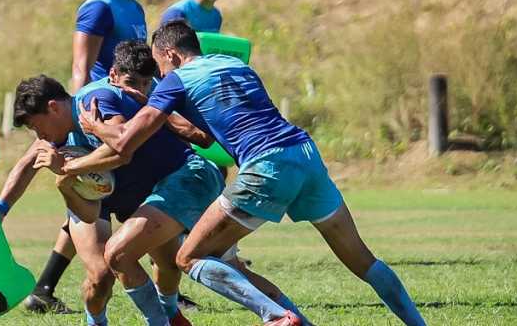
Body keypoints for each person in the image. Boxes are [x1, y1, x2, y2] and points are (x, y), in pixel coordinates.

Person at [79, 20, 427, 326]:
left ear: (170, 54)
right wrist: (149, 105)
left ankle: (275, 316)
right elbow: (202, 134)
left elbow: (124, 142)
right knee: (362, 259)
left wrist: (94, 127)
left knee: (190, 256)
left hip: (266, 166)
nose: (158, 79)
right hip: (304, 153)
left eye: (159, 68)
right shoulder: (235, 65)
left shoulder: (177, 81)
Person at [1, 43, 304, 326]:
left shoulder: (95, 100)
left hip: (167, 183)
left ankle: (267, 316)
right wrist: (55, 185)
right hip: (117, 193)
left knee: (177, 264)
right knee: (102, 273)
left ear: (53, 108)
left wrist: (69, 166)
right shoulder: (55, 139)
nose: (36, 135)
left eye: (34, 125)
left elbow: (121, 147)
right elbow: (84, 207)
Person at [17, 0, 151, 315]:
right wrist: (82, 118)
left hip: (121, 113)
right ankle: (166, 278)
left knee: (89, 202)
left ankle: (44, 287)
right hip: (100, 118)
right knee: (96, 197)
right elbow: (81, 65)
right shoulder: (99, 7)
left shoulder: (135, 7)